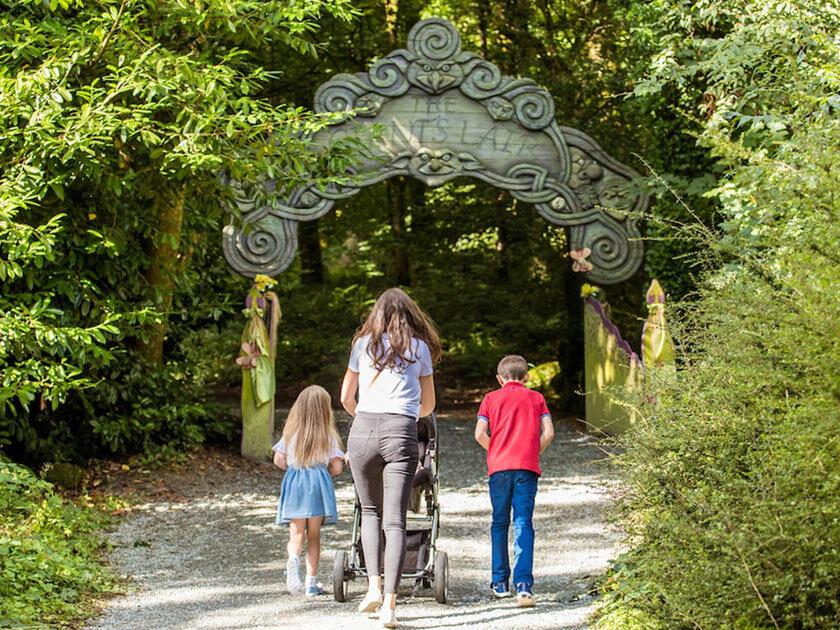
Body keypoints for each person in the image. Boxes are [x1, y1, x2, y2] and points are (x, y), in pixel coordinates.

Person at [340, 288, 440, 628]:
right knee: (395, 520)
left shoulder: (362, 345)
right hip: (401, 430)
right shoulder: (420, 349)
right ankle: (390, 607)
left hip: (363, 428)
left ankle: (372, 588)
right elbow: (429, 405)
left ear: (377, 314)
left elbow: (345, 398)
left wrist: (366, 417)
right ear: (411, 314)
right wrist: (407, 410)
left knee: (369, 511)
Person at [474, 355, 554, 606]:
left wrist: (496, 452)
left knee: (499, 522)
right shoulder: (537, 398)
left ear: (499, 378)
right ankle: (523, 585)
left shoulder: (490, 399)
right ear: (527, 377)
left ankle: (499, 582)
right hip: (527, 469)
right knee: (523, 522)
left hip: (499, 469)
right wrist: (532, 452)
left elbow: (479, 433)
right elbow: (549, 432)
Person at [273, 385, 344, 597]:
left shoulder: (291, 433)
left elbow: (278, 459)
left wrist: (295, 469)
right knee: (313, 535)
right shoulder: (328, 435)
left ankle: (293, 560)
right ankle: (311, 584)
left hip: (295, 481)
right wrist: (324, 472)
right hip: (317, 484)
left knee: (296, 534)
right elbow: (337, 467)